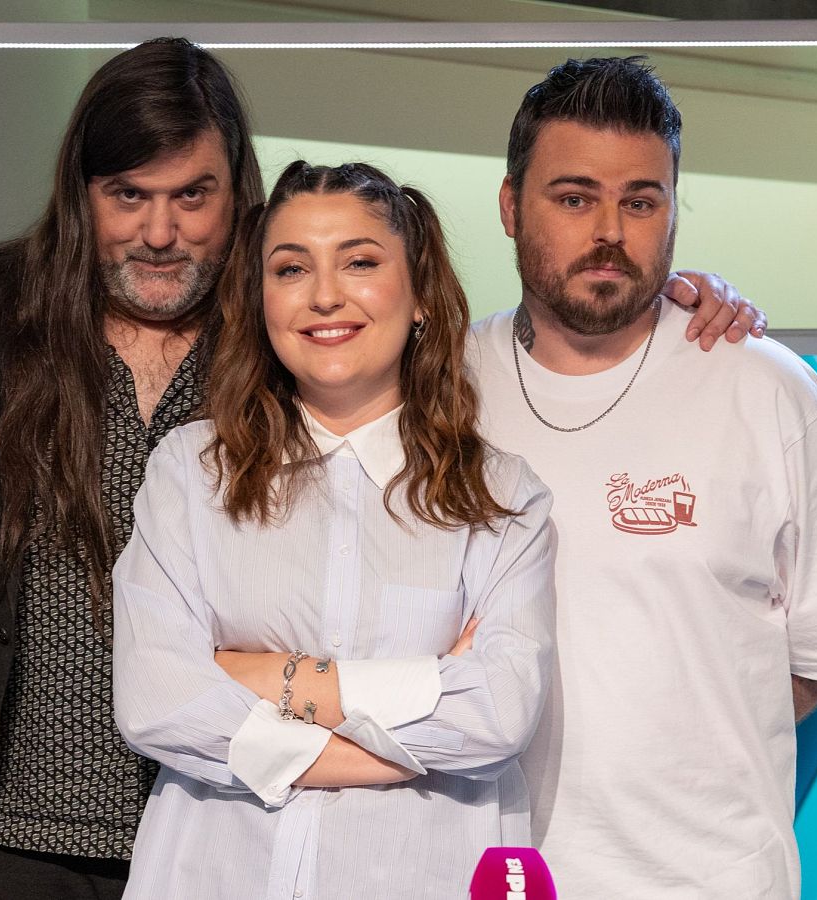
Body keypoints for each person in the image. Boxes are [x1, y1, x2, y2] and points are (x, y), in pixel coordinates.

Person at [0, 39, 763, 898]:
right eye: (126, 195)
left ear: (235, 196)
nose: (158, 230)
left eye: (191, 196)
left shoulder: (290, 324)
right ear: (81, 197)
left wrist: (684, 306)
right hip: (12, 840)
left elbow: (488, 338)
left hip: (208, 835)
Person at [465, 57, 817, 898]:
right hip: (486, 874)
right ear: (512, 206)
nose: (610, 231)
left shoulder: (768, 389)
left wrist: (694, 740)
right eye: (574, 196)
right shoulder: (441, 387)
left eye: (641, 200)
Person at [113, 161, 555, 898]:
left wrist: (259, 678)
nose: (324, 295)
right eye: (291, 269)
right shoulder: (190, 474)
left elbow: (498, 713)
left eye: (360, 262)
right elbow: (158, 701)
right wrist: (419, 704)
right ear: (260, 303)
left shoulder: (501, 497)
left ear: (418, 296)